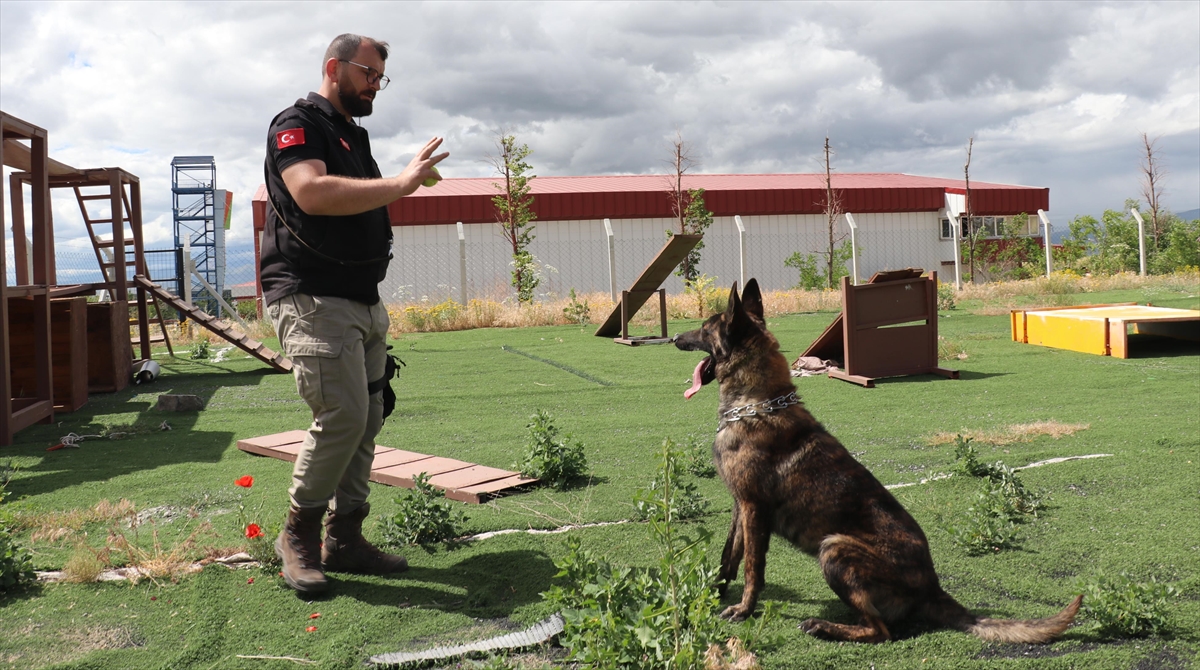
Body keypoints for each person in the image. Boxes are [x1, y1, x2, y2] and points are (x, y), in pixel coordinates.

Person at [261, 33, 447, 594]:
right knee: (341, 416)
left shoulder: (351, 135)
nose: (375, 86)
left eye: (380, 78)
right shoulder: (295, 123)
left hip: (361, 299)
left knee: (368, 417)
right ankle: (297, 537)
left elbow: (361, 198)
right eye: (369, 74)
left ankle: (345, 538)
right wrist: (399, 183)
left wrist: (399, 182)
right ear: (333, 67)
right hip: (313, 297)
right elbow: (312, 192)